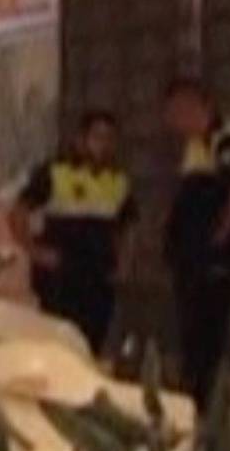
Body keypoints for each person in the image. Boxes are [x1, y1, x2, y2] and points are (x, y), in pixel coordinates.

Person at [162, 75, 230, 407]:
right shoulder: (194, 147)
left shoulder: (227, 138)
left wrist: (218, 242)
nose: (172, 122)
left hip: (211, 261)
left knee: (206, 337)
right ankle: (193, 399)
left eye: (175, 112)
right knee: (191, 338)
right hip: (190, 261)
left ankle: (203, 403)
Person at [8, 110, 138, 356]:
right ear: (80, 139)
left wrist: (124, 263)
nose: (103, 144)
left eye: (109, 138)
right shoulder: (56, 173)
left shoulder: (118, 181)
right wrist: (35, 252)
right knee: (58, 342)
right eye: (97, 136)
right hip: (61, 273)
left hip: (99, 273)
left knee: (92, 343)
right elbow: (17, 213)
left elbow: (129, 225)